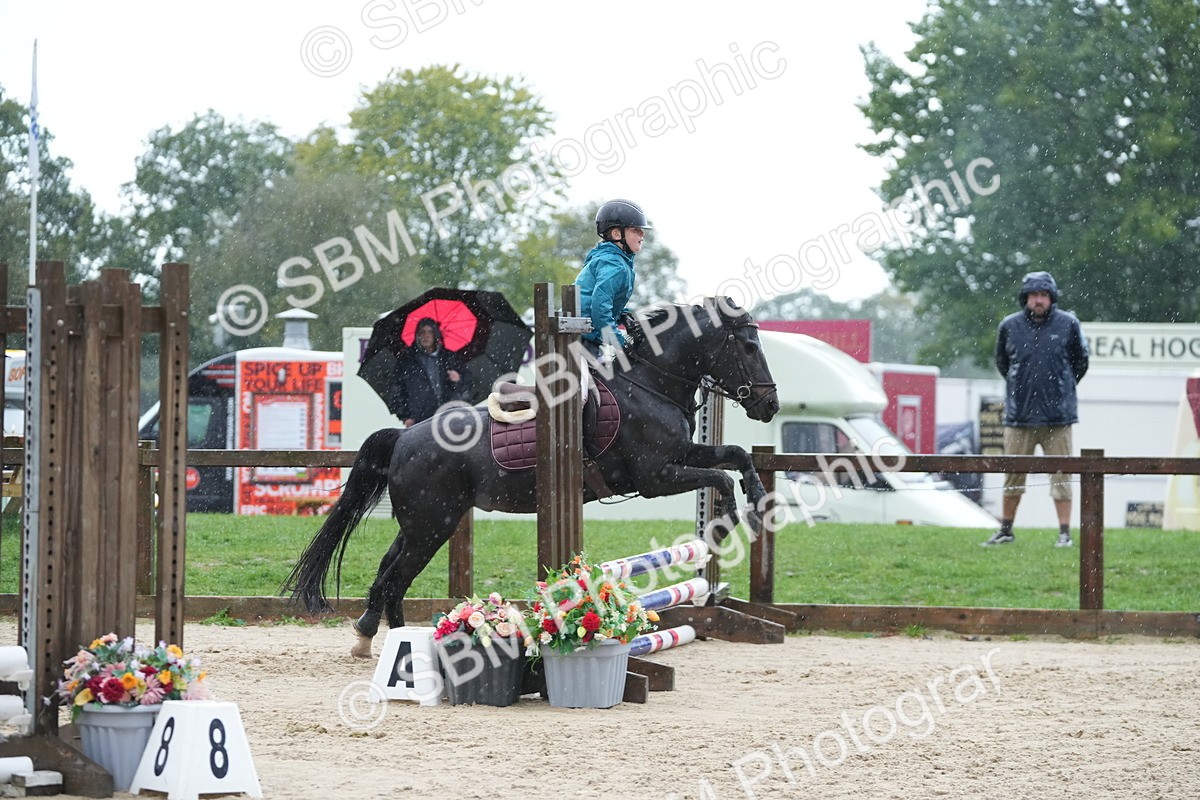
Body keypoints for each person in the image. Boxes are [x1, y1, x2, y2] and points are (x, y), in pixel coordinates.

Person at [983, 271, 1089, 547]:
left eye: (1043, 295)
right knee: (1013, 475)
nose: (1038, 300)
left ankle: (1064, 533)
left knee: (1062, 475)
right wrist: (1023, 389)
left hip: (1058, 417)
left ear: (1051, 298)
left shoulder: (1068, 324)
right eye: (1033, 295)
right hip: (1020, 417)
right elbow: (1003, 364)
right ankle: (1006, 530)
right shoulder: (1009, 326)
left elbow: (1081, 363)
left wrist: (1061, 388)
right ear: (1026, 298)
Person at [574, 199, 650, 454]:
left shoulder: (619, 261)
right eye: (636, 230)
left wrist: (624, 318)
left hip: (588, 340)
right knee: (581, 397)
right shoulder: (614, 264)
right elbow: (598, 308)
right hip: (576, 341)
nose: (642, 235)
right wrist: (619, 342)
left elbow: (607, 307)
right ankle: (572, 449)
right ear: (617, 234)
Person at [388, 318, 472, 426]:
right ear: (417, 335)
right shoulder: (407, 360)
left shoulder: (449, 358)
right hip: (419, 419)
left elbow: (468, 382)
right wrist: (405, 416)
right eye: (422, 332)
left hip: (448, 415)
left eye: (430, 332)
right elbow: (396, 389)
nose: (426, 335)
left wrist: (458, 379)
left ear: (435, 334)